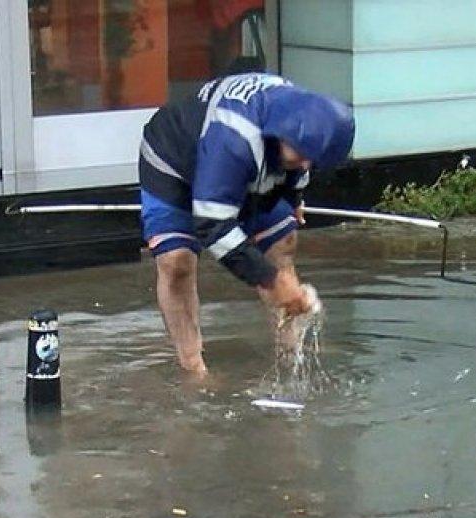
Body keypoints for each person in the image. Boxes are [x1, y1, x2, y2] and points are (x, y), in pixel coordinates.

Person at [138, 72, 356, 378]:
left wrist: (294, 200)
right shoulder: (234, 137)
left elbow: (300, 168)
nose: (307, 165)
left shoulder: (303, 124)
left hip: (254, 164)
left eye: (314, 159)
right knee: (177, 263)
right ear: (284, 133)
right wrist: (270, 279)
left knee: (283, 241)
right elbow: (212, 227)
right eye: (303, 155)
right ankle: (193, 369)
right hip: (174, 162)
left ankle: (291, 353)